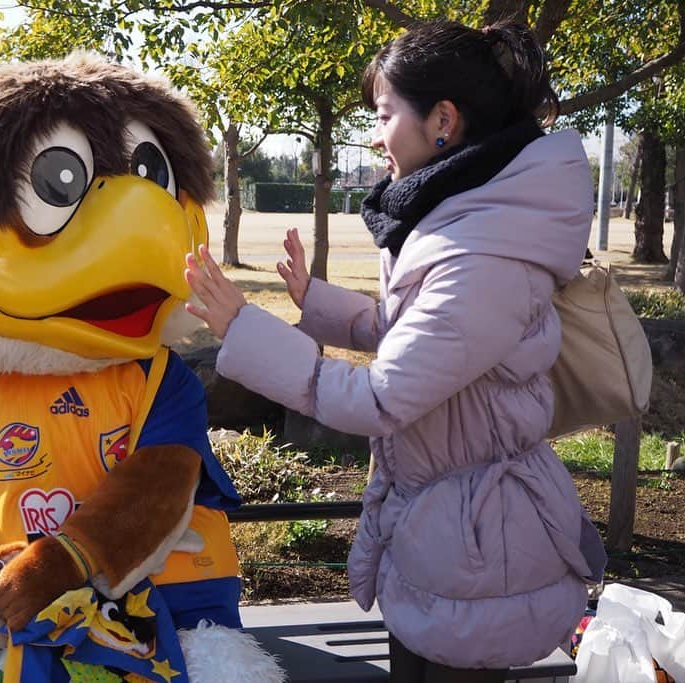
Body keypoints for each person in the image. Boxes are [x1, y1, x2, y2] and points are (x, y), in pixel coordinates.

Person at [184, 19, 607, 683]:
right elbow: (423, 340)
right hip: (449, 526)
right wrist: (315, 301)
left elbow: (382, 397)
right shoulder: (463, 216)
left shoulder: (482, 251)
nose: (375, 137)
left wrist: (244, 327)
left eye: (383, 115)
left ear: (442, 120)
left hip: (474, 544)